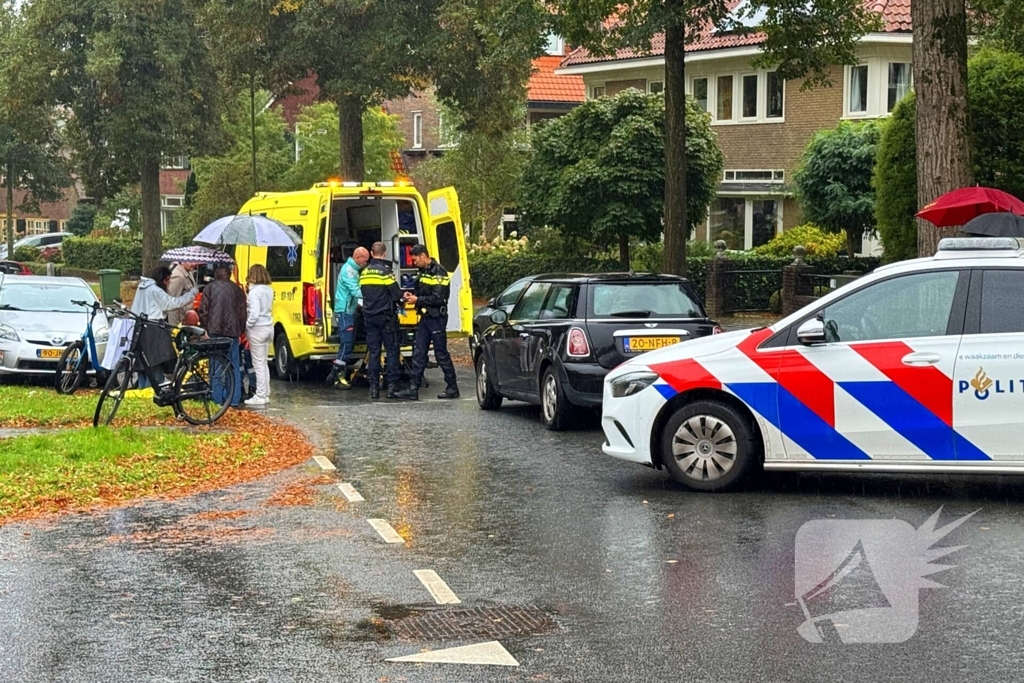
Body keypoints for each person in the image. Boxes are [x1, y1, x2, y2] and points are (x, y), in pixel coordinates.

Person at [394, 244, 459, 400]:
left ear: (423, 256)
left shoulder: (439, 272)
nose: (414, 262)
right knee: (419, 352)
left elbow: (438, 298)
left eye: (415, 259)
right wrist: (412, 294)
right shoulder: (423, 272)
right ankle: (413, 388)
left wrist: (418, 299)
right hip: (426, 317)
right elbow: (422, 290)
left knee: (441, 354)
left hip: (436, 318)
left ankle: (452, 387)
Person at [130, 266, 199, 402]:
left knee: (143, 366)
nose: (168, 283)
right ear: (163, 279)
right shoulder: (155, 290)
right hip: (153, 329)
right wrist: (192, 294)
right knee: (155, 363)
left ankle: (140, 395)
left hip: (139, 327)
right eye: (167, 280)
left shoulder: (142, 288)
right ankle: (152, 395)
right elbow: (172, 303)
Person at [359, 242, 404, 400]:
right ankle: (392, 388)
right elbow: (396, 294)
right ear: (384, 254)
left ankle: (373, 389)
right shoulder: (386, 272)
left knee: (374, 353)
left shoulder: (364, 273)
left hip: (370, 318)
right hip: (386, 318)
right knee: (392, 351)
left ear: (371, 253)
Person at [198, 265, 247, 408]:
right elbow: (243, 312)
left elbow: (203, 311)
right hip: (233, 333)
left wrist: (206, 328)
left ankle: (216, 399)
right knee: (233, 365)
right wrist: (241, 329)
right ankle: (234, 399)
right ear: (230, 274)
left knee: (216, 364)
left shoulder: (210, 288)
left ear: (216, 275)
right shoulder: (237, 290)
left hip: (215, 331)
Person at [327, 246, 370, 389]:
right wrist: (373, 296)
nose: (366, 264)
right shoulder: (349, 271)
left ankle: (335, 375)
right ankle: (336, 376)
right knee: (346, 344)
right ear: (357, 258)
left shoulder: (353, 269)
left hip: (348, 310)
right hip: (344, 312)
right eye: (365, 261)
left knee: (347, 343)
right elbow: (356, 290)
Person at [244, 264, 274, 407]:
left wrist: (247, 325)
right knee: (264, 362)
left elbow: (254, 313)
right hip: (269, 327)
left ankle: (260, 395)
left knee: (257, 363)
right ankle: (266, 393)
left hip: (257, 329)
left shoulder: (254, 292)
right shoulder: (269, 290)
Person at [166, 261, 198, 326]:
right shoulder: (177, 276)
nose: (194, 264)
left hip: (186, 319)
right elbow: (172, 304)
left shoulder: (188, 272)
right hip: (180, 321)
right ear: (182, 261)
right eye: (190, 261)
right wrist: (174, 327)